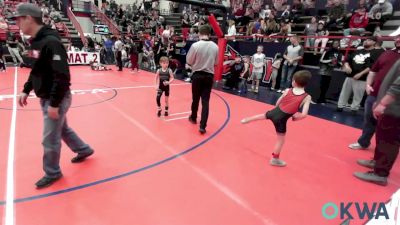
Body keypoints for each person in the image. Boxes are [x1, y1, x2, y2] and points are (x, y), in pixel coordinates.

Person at [15, 3, 94, 189]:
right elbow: (37, 69)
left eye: (18, 19)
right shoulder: (35, 42)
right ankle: (84, 149)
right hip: (48, 96)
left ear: (28, 18)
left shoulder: (51, 42)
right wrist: (26, 89)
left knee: (49, 138)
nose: (16, 23)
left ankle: (52, 172)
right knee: (63, 129)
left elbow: (63, 76)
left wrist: (54, 103)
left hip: (56, 97)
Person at [241, 70, 312, 167]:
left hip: (275, 112)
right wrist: (296, 118)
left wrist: (276, 108)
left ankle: (246, 120)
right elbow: (304, 114)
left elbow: (278, 101)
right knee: (281, 140)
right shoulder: (307, 97)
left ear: (294, 81)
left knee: (262, 116)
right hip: (281, 120)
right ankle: (275, 159)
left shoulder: (288, 90)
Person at [354, 59, 400, 186]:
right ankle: (378, 162)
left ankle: (380, 174)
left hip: (395, 108)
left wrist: (384, 103)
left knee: (389, 140)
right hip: (391, 106)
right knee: (382, 136)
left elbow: (398, 87)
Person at [348, 36, 400, 150]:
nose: (398, 40)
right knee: (368, 120)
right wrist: (368, 84)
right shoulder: (387, 53)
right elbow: (373, 70)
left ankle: (383, 151)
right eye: (398, 37)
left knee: (389, 126)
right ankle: (363, 142)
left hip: (394, 98)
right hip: (374, 93)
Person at [186, 25, 219, 134]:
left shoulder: (195, 45)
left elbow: (189, 61)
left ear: (199, 33)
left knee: (195, 98)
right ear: (209, 34)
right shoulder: (215, 46)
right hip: (209, 76)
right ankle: (203, 126)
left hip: (197, 75)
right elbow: (216, 63)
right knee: (205, 101)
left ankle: (193, 117)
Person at [337, 37, 377, 113]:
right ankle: (340, 106)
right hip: (350, 75)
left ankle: (354, 108)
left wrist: (360, 74)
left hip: (362, 77)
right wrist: (347, 66)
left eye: (369, 40)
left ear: (374, 42)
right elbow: (347, 60)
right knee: (344, 92)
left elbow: (371, 66)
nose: (366, 41)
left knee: (358, 94)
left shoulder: (375, 53)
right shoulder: (358, 51)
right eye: (365, 40)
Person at [315, 40, 343, 104]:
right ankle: (319, 98)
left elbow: (339, 62)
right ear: (332, 44)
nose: (336, 44)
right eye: (335, 43)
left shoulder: (339, 53)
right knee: (322, 85)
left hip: (331, 70)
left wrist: (339, 63)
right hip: (324, 69)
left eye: (337, 43)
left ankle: (322, 98)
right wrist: (330, 60)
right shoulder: (327, 51)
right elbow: (321, 60)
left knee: (326, 85)